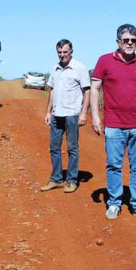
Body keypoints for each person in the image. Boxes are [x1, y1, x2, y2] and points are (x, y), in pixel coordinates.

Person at [90, 23, 136, 221]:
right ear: (118, 41)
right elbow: (95, 88)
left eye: (133, 40)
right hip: (114, 125)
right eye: (126, 40)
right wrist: (95, 116)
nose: (130, 43)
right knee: (114, 165)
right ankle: (114, 203)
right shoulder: (104, 61)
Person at [40, 39, 92, 193]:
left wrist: (83, 113)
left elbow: (87, 91)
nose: (62, 55)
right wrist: (48, 111)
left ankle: (71, 180)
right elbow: (52, 91)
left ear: (71, 52)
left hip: (72, 114)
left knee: (72, 148)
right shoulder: (55, 68)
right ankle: (56, 179)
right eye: (60, 52)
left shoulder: (79, 68)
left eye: (65, 52)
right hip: (57, 114)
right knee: (54, 147)